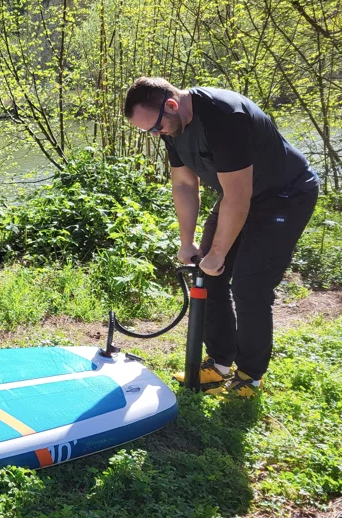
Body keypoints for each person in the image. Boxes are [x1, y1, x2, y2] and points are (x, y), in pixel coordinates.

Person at [124, 77, 319, 397]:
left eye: (154, 128)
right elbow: (185, 186)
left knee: (249, 284)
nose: (155, 135)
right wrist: (188, 243)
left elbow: (239, 197)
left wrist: (219, 253)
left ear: (171, 105)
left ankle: (249, 376)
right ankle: (219, 364)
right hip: (240, 195)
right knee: (207, 271)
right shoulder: (172, 124)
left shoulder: (225, 116)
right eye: (149, 132)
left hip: (285, 195)